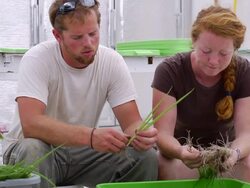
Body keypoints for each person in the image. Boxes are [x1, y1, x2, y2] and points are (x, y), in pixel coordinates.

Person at [2, 0, 158, 187]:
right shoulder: (38, 58)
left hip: (81, 154)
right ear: (57, 36)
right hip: (34, 152)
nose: (88, 44)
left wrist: (141, 134)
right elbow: (31, 124)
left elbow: (132, 122)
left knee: (144, 157)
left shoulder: (111, 61)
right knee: (33, 148)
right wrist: (91, 137)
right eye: (77, 38)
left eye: (93, 34)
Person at [152, 5, 250, 181]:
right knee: (160, 163)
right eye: (206, 51)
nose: (213, 61)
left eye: (224, 54)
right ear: (193, 42)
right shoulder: (169, 71)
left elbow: (246, 134)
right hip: (180, 155)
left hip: (225, 156)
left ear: (234, 50)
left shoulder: (244, 72)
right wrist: (180, 151)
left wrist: (234, 153)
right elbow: (162, 134)